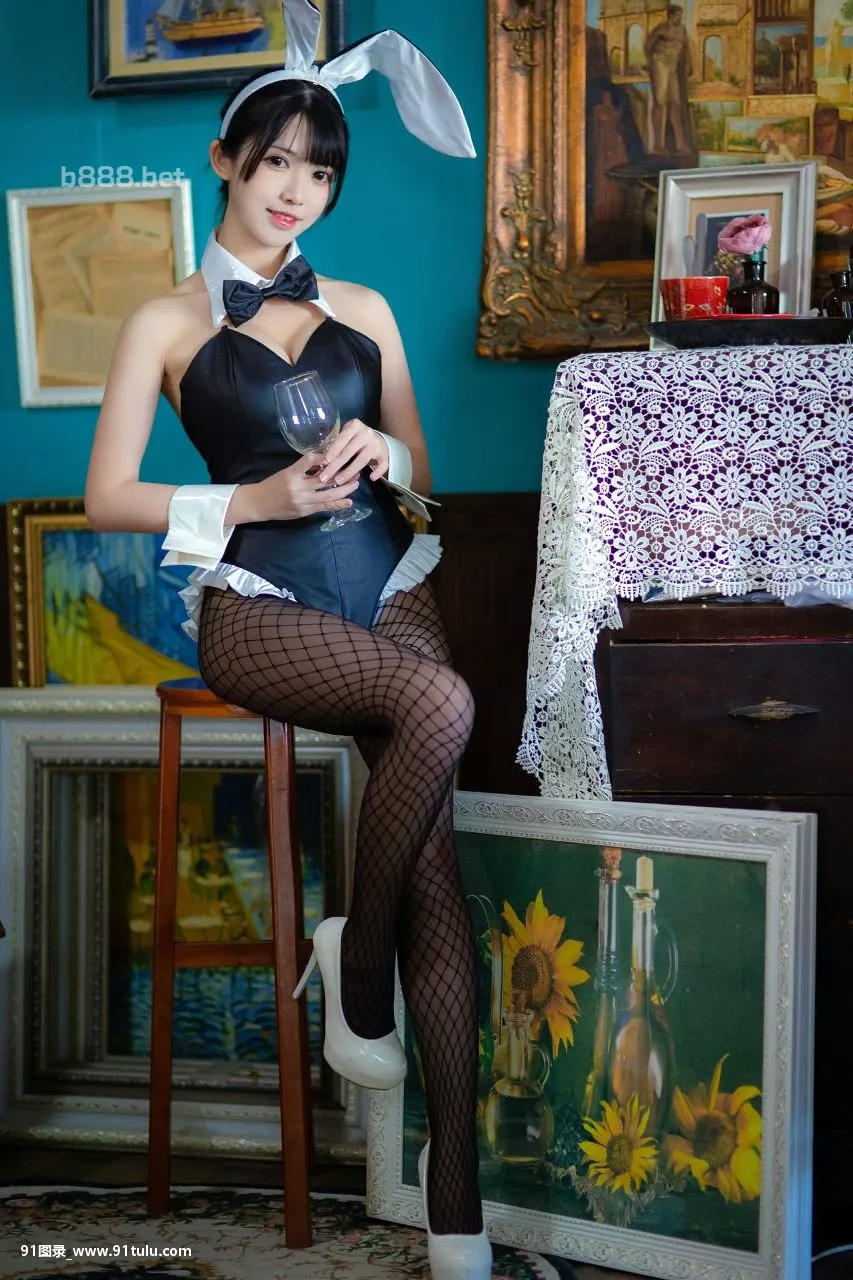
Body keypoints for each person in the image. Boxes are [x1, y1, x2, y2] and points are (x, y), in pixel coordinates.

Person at [84, 3, 490, 1277]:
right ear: (226, 158)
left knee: (434, 870)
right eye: (276, 163)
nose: (296, 191)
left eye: (320, 171)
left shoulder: (364, 304)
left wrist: (387, 454)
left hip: (390, 580)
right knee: (442, 705)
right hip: (258, 607)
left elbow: (426, 473)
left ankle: (456, 1193)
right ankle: (354, 968)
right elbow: (107, 495)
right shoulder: (164, 322)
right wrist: (254, 498)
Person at [645, 4, 693, 155]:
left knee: (676, 103)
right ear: (670, 15)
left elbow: (686, 48)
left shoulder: (682, 30)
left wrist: (689, 65)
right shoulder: (662, 28)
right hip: (660, 64)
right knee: (660, 103)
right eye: (677, 15)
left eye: (681, 15)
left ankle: (680, 144)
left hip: (672, 68)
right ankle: (657, 145)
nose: (679, 18)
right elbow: (648, 46)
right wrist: (651, 64)